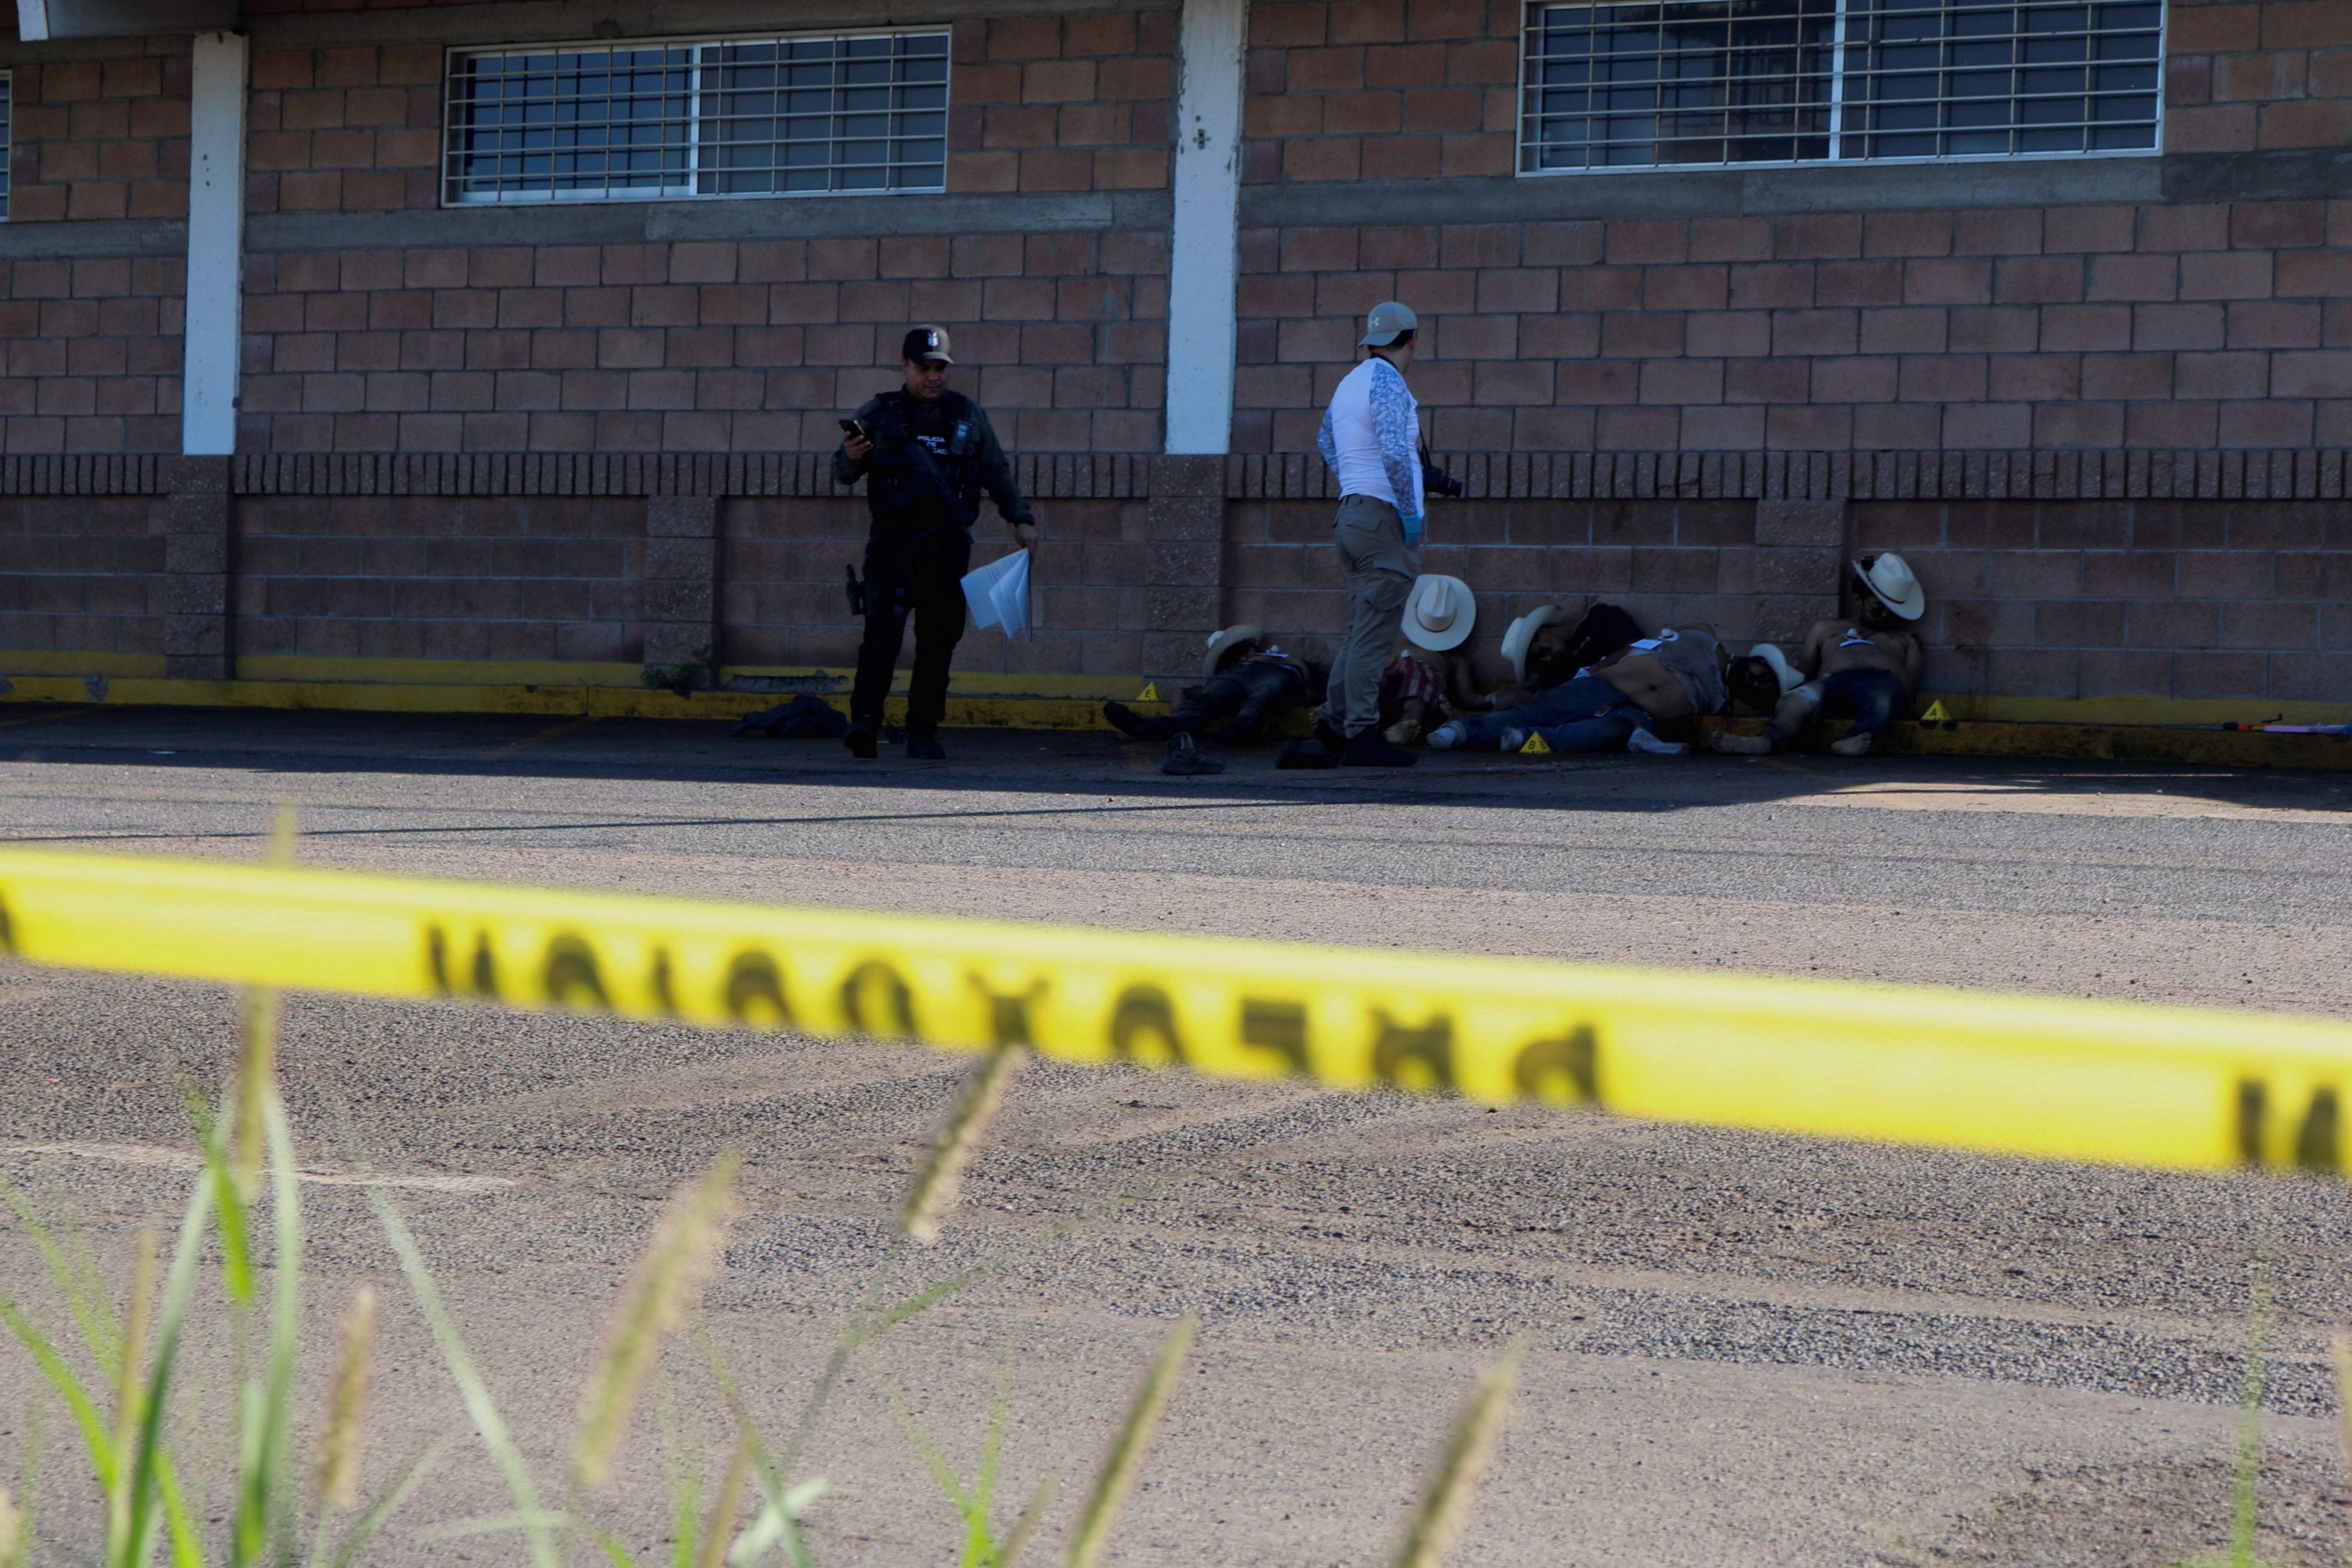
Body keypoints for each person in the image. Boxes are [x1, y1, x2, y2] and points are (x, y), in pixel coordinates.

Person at [833, 325, 1038, 761]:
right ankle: (864, 724)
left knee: (938, 644)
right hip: (893, 546)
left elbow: (997, 471)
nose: (933, 377)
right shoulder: (881, 413)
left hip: (946, 550)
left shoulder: (968, 416)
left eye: (940, 368)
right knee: (881, 639)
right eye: (923, 368)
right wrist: (850, 456)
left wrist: (1021, 518)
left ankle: (923, 731)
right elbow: (845, 472)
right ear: (905, 366)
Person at [1281, 301, 1428, 769]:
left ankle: (1330, 730)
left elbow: (1325, 439)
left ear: (1369, 340)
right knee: (1372, 637)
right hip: (1381, 520)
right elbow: (1390, 449)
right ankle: (1362, 734)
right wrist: (1408, 512)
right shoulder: (1387, 381)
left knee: (1357, 633)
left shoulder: (1351, 380)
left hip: (1350, 516)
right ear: (1412, 340)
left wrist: (1355, 482)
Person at [1427, 626, 1776, 755]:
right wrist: (1600, 668)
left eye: (1760, 688)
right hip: (1606, 684)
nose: (1757, 680)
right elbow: (1643, 644)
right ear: (1757, 659)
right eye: (1763, 674)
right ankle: (1462, 731)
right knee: (1540, 708)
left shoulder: (1723, 703)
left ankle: (1526, 740)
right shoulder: (1704, 636)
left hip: (1637, 715)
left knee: (1600, 733)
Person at [1712, 553, 1926, 758]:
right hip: (1832, 683)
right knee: (1794, 700)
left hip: (1881, 683)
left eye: (1892, 611)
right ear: (1859, 599)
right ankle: (1766, 741)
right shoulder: (1825, 629)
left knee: (1881, 700)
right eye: (1879, 608)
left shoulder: (1906, 640)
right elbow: (1806, 673)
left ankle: (1851, 739)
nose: (1885, 616)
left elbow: (1906, 693)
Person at [1103, 625, 1320, 744]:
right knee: (1204, 703)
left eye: (1241, 649)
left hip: (1276, 674)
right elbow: (1187, 693)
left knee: (1262, 698)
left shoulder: (1283, 660)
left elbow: (1318, 685)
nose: (1242, 655)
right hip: (1234, 678)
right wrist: (1181, 715)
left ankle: (1237, 729)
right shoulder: (1230, 673)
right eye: (1232, 655)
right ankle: (1149, 727)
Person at [1380, 574, 1479, 745]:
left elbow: (1468, 697)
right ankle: (1350, 717)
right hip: (1400, 671)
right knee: (1375, 681)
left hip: (1420, 672)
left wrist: (1488, 701)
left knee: (1417, 686)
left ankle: (1403, 726)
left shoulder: (1453, 659)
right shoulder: (1447, 659)